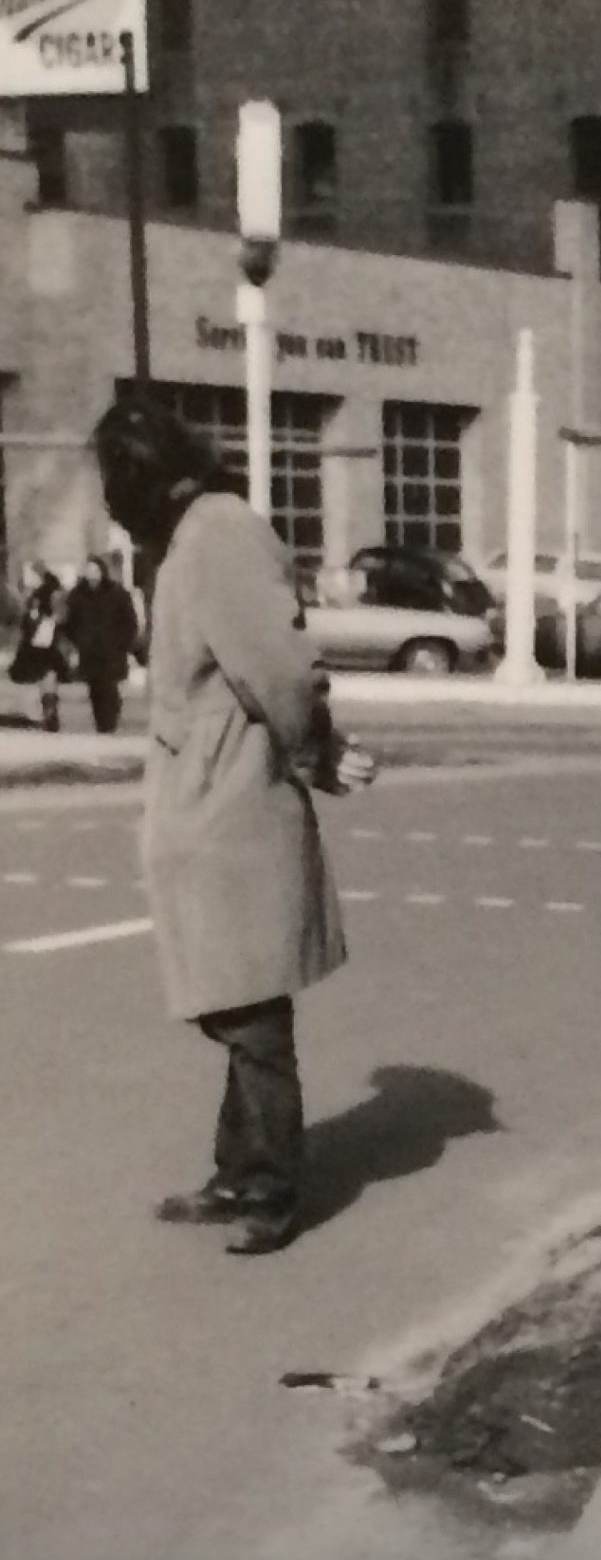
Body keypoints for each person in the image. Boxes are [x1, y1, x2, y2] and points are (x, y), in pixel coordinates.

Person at [92, 396, 346, 1256]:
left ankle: (270, 1187)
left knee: (249, 1009)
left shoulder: (220, 532)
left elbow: (281, 671)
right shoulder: (195, 532)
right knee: (234, 999)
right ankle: (241, 1169)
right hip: (208, 794)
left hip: (232, 797)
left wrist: (316, 751)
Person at [60, 553, 139, 734]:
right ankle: (101, 722)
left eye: (95, 570)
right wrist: (77, 640)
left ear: (102, 571)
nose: (92, 574)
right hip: (89, 650)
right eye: (89, 570)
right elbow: (70, 622)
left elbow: (129, 621)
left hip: (111, 649)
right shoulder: (77, 594)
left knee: (109, 686)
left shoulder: (117, 593)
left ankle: (110, 721)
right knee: (95, 688)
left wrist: (123, 642)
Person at [5, 562, 66, 731]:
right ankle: (47, 713)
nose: (27, 578)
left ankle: (48, 713)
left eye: (30, 575)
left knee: (45, 675)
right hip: (38, 645)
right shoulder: (35, 596)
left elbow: (55, 617)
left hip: (42, 644)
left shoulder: (45, 596)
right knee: (45, 676)